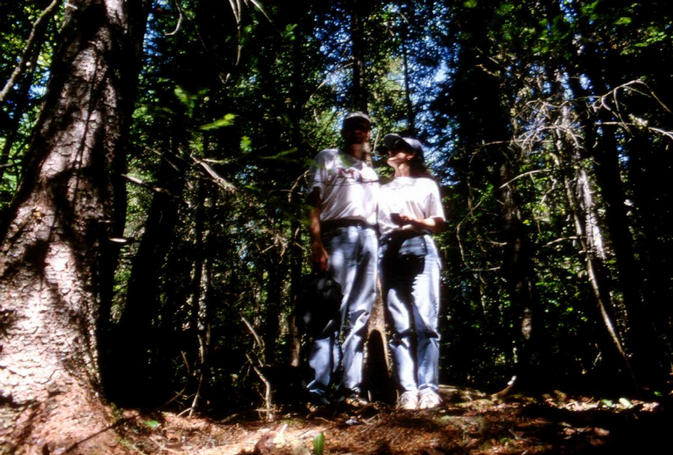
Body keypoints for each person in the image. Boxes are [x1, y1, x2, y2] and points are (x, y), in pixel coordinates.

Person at [305, 112, 379, 407]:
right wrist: (316, 242)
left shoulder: (371, 172)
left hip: (369, 238)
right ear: (344, 131)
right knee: (328, 312)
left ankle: (351, 390)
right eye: (353, 128)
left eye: (364, 128)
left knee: (359, 315)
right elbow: (313, 200)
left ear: (369, 134)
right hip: (338, 234)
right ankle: (318, 391)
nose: (358, 132)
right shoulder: (328, 157)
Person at [377, 133, 445, 410]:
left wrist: (413, 220)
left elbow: (438, 222)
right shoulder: (381, 189)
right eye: (390, 147)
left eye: (399, 147)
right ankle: (407, 390)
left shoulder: (426, 184)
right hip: (389, 251)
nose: (392, 150)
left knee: (426, 322)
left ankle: (429, 390)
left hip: (420, 248)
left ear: (412, 154)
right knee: (400, 325)